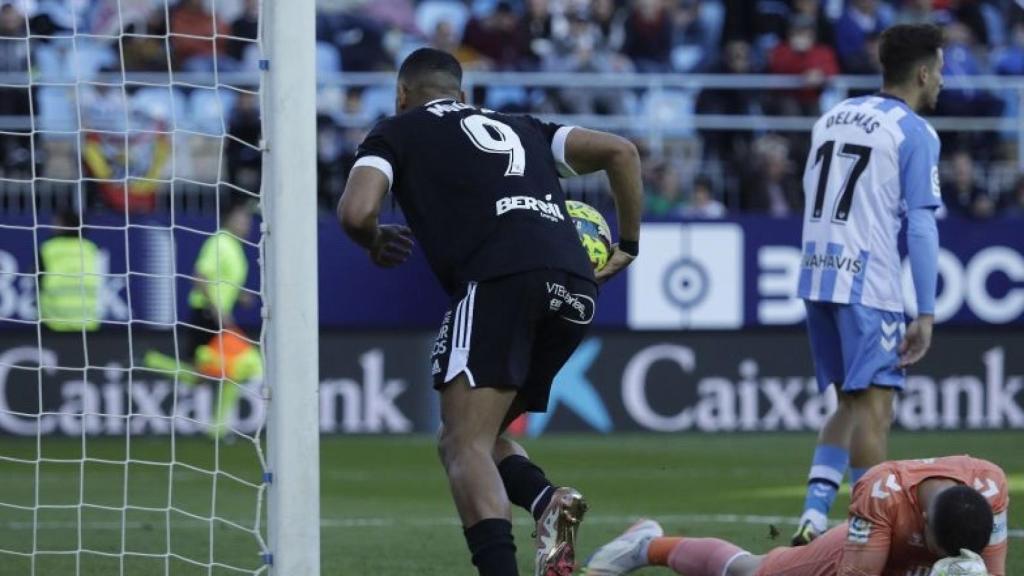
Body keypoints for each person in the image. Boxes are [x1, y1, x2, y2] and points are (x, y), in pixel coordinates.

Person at [338, 48, 643, 576]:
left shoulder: (397, 129)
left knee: (463, 446)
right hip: (574, 288)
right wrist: (630, 245)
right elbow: (622, 151)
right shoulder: (522, 125)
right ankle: (547, 500)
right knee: (471, 435)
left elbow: (356, 210)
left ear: (402, 94)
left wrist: (373, 238)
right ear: (463, 96)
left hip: (501, 280)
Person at [791, 23, 945, 546]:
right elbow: (921, 226)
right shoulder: (916, 133)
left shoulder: (832, 116)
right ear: (923, 73)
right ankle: (869, 538)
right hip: (867, 283)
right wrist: (924, 311)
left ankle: (814, 517)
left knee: (850, 404)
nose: (942, 82)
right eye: (941, 70)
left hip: (816, 274)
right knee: (876, 411)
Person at [583, 455, 1008, 576]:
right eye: (939, 552)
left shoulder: (990, 486)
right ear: (926, 524)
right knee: (752, 572)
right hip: (861, 554)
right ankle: (648, 545)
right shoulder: (883, 490)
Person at [143, 200, 261, 438]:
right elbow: (200, 277)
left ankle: (150, 360)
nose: (247, 223)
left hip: (214, 315)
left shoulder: (233, 246)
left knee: (205, 375)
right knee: (246, 364)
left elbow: (221, 280)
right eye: (242, 218)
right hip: (208, 316)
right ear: (229, 219)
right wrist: (218, 310)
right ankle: (217, 430)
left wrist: (239, 295)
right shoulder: (219, 242)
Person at [38, 209, 100, 333]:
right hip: (87, 321)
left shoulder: (49, 247)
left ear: (63, 224)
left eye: (56, 222)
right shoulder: (89, 247)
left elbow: (38, 279)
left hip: (54, 321)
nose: (53, 226)